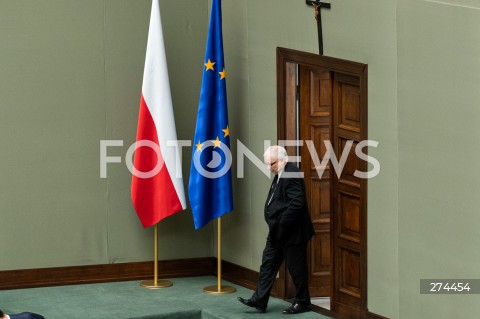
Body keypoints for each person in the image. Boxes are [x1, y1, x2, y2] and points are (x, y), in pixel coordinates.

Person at [237, 145, 315, 315]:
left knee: (296, 268)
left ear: (282, 160)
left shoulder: (292, 173)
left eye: (270, 164)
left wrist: (281, 224)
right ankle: (259, 299)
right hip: (277, 232)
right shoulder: (281, 171)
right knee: (268, 265)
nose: (268, 168)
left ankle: (302, 302)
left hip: (292, 233)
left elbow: (297, 203)